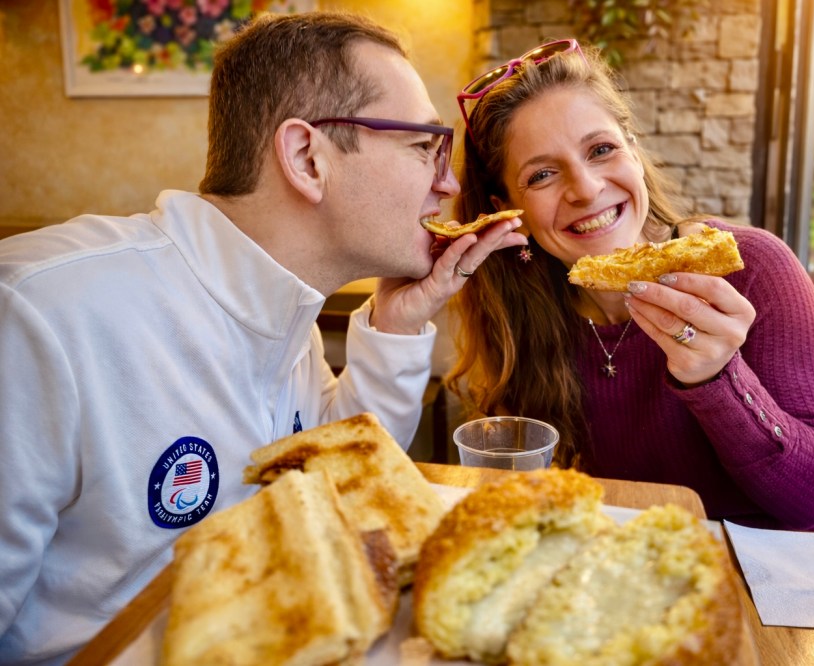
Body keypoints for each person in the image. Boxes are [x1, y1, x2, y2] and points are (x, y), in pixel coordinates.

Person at [0, 12, 526, 664]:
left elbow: (332, 480)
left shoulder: (283, 305)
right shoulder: (38, 315)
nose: (448, 183)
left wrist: (397, 324)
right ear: (308, 158)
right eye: (424, 146)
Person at [446, 39, 814, 534]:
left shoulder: (753, 269)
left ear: (634, 154)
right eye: (543, 174)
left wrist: (716, 377)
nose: (586, 189)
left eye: (601, 150)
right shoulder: (519, 316)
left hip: (781, 588)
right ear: (510, 210)